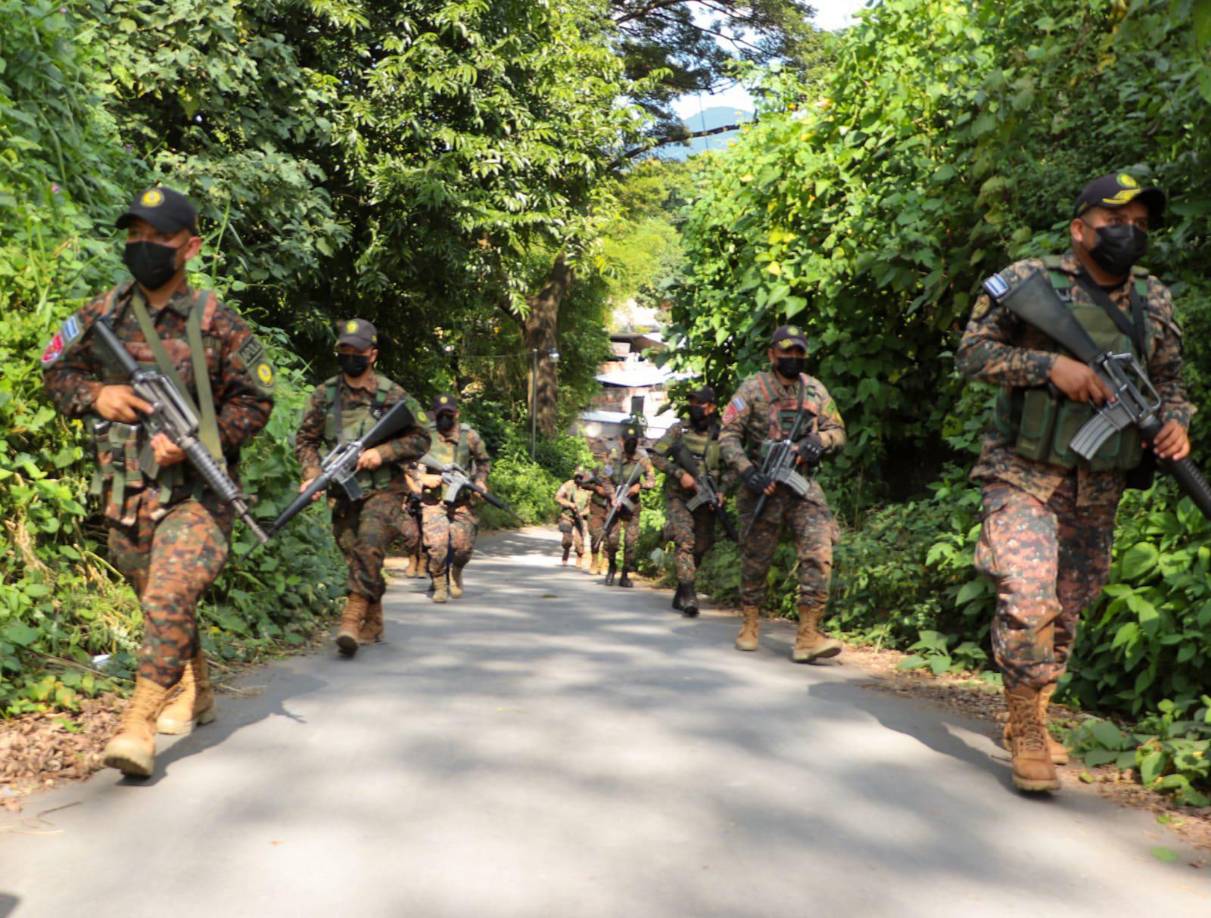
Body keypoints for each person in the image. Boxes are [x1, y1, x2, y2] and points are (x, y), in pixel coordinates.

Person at [956, 172, 1192, 793]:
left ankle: (1032, 710)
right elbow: (970, 354)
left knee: (1070, 608)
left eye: (1140, 224)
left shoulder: (1155, 300)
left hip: (1099, 484)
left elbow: (1170, 385)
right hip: (1022, 474)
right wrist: (1048, 365)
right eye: (1116, 222)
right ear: (1079, 229)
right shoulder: (1033, 282)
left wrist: (1176, 427)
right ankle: (1027, 727)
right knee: (1028, 595)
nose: (1129, 233)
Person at [41, 186, 276, 777]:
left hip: (198, 493)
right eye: (135, 236)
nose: (143, 247)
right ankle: (197, 687)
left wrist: (202, 436)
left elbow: (257, 399)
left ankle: (138, 723)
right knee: (159, 601)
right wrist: (98, 394)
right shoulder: (103, 313)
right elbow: (54, 364)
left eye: (158, 238)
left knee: (171, 593)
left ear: (190, 247)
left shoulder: (216, 321)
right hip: (127, 490)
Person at [295, 319, 429, 656]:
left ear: (373, 354)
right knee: (355, 554)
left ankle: (351, 620)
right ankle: (374, 616)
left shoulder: (391, 394)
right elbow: (306, 440)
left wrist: (381, 453)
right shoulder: (324, 395)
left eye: (357, 351)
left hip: (385, 489)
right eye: (344, 350)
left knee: (369, 547)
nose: (350, 356)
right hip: (344, 490)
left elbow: (421, 438)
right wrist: (311, 473)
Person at [720, 325, 845, 662]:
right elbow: (728, 436)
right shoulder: (753, 389)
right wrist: (748, 472)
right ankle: (749, 621)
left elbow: (837, 431)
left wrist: (819, 442)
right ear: (772, 353)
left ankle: (807, 635)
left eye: (799, 352)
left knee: (819, 553)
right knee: (756, 558)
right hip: (763, 483)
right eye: (786, 351)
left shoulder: (816, 390)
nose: (793, 358)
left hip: (802, 484)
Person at [651, 386, 731, 616]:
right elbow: (656, 454)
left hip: (706, 498)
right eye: (692, 402)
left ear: (712, 407)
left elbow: (732, 467)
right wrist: (680, 474)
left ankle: (682, 588)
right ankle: (689, 595)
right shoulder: (679, 429)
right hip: (679, 496)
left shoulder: (722, 435)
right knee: (685, 541)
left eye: (701, 403)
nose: (695, 407)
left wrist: (723, 490)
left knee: (702, 545)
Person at [418, 394, 491, 602]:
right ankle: (439, 583)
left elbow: (484, 461)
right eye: (441, 415)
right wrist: (422, 477)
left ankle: (456, 572)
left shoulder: (469, 436)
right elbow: (408, 460)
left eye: (449, 414)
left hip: (463, 500)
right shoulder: (425, 436)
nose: (445, 419)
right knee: (437, 546)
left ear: (457, 414)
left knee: (463, 548)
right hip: (434, 500)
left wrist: (480, 480)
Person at [602, 421, 656, 587]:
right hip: (615, 505)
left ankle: (625, 574)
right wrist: (612, 496)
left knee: (631, 542)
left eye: (634, 441)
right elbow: (605, 478)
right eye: (628, 441)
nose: (631, 444)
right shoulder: (613, 458)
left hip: (632, 506)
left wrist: (640, 486)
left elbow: (652, 480)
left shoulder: (643, 460)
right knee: (612, 540)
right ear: (621, 441)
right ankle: (611, 568)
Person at [554, 468, 593, 567]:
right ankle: (566, 551)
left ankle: (579, 557)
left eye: (581, 477)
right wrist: (570, 504)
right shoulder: (568, 484)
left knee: (579, 541)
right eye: (577, 477)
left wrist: (583, 513)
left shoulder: (588, 489)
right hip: (567, 515)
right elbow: (558, 497)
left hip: (581, 517)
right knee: (567, 539)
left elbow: (591, 505)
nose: (578, 479)